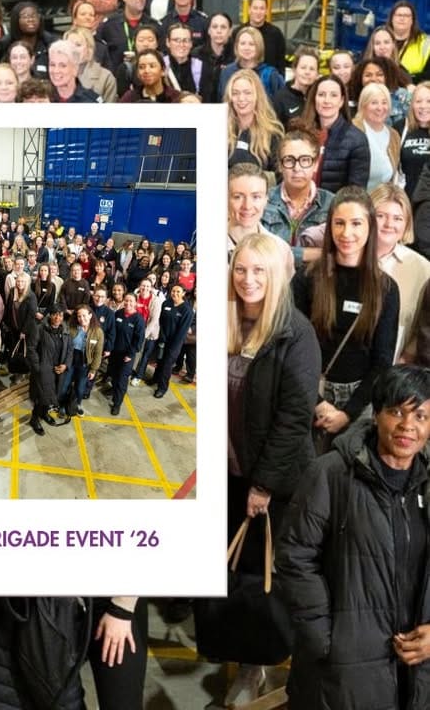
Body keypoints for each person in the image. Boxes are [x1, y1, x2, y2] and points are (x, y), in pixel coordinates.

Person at [277, 364, 430, 710]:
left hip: (416, 670)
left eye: (420, 416)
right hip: (342, 672)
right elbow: (295, 555)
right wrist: (325, 639)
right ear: (376, 414)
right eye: (397, 412)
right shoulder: (331, 473)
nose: (408, 425)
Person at [219, 232, 320, 706]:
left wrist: (263, 485)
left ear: (277, 275)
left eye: (259, 270)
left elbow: (294, 418)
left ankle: (254, 667)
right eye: (241, 268)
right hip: (226, 473)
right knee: (233, 570)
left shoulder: (295, 334)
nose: (248, 279)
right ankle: (236, 649)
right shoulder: (227, 320)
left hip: (268, 483)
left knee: (260, 576)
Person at [291, 185, 399, 451]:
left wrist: (348, 413)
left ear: (370, 227)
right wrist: (318, 403)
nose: (346, 233)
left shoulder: (386, 289)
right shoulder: (307, 278)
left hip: (359, 401)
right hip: (308, 391)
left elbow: (382, 361)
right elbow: (292, 347)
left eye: (356, 223)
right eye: (339, 223)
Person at [371, 183, 430, 362]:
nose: (389, 224)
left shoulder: (423, 268)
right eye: (381, 216)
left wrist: (404, 362)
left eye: (398, 218)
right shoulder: (349, 258)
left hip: (396, 366)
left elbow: (422, 325)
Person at [262, 128, 333, 266]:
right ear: (280, 166)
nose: (297, 168)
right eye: (289, 160)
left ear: (316, 164)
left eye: (305, 160)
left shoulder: (332, 203)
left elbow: (335, 254)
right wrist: (309, 254)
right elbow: (258, 251)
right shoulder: (263, 200)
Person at [298, 74, 371, 193]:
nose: (327, 100)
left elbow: (356, 191)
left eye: (333, 95)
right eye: (321, 95)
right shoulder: (300, 133)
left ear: (341, 101)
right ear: (314, 98)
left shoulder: (357, 139)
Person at [226, 68, 283, 172]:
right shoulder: (220, 129)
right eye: (235, 93)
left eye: (247, 93)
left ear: (257, 96)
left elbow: (278, 174)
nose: (241, 98)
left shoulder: (272, 134)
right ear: (230, 98)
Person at [353, 82, 400, 191]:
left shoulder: (394, 135)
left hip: (381, 198)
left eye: (384, 102)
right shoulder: (353, 130)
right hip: (355, 198)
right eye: (374, 103)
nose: (380, 108)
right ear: (363, 105)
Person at [149, 285, 194, 399]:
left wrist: (174, 345)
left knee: (167, 365)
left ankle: (162, 388)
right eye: (173, 291)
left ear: (183, 293)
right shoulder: (166, 303)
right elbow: (161, 321)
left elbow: (182, 331)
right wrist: (162, 336)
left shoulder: (187, 310)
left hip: (175, 343)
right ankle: (155, 379)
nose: (175, 293)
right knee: (159, 360)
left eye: (178, 291)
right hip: (163, 338)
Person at [217, 26, 285, 102]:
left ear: (259, 46)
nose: (247, 48)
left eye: (251, 44)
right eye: (242, 43)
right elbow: (222, 101)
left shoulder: (270, 75)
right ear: (236, 46)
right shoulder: (226, 72)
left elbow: (280, 103)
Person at [59, 303, 104, 417]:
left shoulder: (98, 332)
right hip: (70, 362)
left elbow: (98, 353)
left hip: (84, 365)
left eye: (84, 315)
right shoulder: (71, 328)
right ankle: (62, 405)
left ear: (90, 315)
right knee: (64, 387)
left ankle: (77, 404)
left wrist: (93, 370)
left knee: (80, 389)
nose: (81, 318)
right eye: (79, 316)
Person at [108, 292, 144, 414]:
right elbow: (112, 331)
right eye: (126, 300)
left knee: (122, 380)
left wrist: (130, 354)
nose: (128, 303)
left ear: (136, 303)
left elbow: (138, 340)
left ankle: (117, 403)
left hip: (127, 356)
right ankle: (114, 390)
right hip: (114, 352)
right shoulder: (118, 313)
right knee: (114, 375)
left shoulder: (138, 319)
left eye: (131, 301)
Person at [236, 0, 286, 77]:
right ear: (249, 10)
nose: (258, 12)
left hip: (268, 81)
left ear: (266, 11)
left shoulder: (276, 34)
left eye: (262, 8)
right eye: (255, 8)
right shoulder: (238, 32)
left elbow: (281, 63)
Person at [271, 46, 320, 130]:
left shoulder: (319, 97)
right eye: (303, 67)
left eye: (312, 69)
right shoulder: (280, 99)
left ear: (317, 74)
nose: (307, 72)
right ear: (294, 70)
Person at [398, 81, 430, 201]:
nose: (423, 106)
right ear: (412, 104)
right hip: (406, 200)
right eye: (418, 101)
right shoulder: (400, 128)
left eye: (429, 101)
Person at [386, 0, 430, 84]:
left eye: (406, 16)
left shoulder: (426, 42)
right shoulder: (380, 38)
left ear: (412, 20)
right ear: (391, 18)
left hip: (414, 88)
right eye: (399, 15)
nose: (402, 18)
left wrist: (408, 80)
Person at [193, 12, 234, 102]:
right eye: (215, 27)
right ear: (209, 30)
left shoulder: (236, 56)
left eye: (223, 27)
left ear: (230, 31)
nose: (219, 31)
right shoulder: (196, 55)